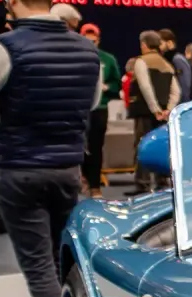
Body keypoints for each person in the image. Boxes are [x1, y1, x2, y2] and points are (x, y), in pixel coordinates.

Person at [0, 0, 100, 297]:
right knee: (62, 259)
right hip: (68, 170)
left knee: (39, 266)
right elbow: (92, 102)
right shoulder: (86, 49)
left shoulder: (6, 47)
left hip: (21, 171)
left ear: (13, 3)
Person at [129, 30, 180, 195]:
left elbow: (145, 87)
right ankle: (162, 183)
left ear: (144, 44)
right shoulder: (167, 64)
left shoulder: (141, 61)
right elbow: (176, 91)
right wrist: (168, 110)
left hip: (146, 112)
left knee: (142, 146)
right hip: (163, 114)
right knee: (160, 146)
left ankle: (142, 184)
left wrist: (155, 109)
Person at [80, 23, 120, 199]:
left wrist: (107, 87)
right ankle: (82, 179)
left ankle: (95, 185)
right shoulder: (74, 56)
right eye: (87, 40)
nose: (91, 44)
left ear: (99, 41)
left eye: (94, 41)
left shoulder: (108, 59)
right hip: (79, 108)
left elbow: (117, 84)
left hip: (99, 109)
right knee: (77, 146)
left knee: (96, 148)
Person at [158, 29, 192, 105]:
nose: (158, 47)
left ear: (169, 43)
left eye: (160, 43)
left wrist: (180, 106)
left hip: (178, 105)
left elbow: (184, 85)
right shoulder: (168, 59)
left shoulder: (177, 59)